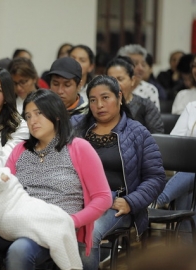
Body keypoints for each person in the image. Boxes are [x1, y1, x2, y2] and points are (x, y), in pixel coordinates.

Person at [0, 89, 112, 269]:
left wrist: (71, 221)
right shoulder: (20, 150)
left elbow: (103, 198)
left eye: (39, 113)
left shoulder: (78, 147)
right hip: (16, 221)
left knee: (20, 250)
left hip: (53, 227)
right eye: (28, 116)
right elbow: (4, 187)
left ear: (56, 115)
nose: (32, 121)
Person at [72, 75, 166, 269]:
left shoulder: (137, 132)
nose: (99, 105)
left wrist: (131, 202)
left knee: (88, 231)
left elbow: (156, 177)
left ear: (120, 97)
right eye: (93, 100)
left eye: (105, 98)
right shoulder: (78, 129)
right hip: (76, 198)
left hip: (116, 203)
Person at [156, 100, 196, 241]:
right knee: (190, 177)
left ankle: (158, 198)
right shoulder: (192, 107)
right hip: (189, 172)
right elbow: (176, 143)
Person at [106, 56, 164, 134]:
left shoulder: (146, 105)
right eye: (111, 79)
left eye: (120, 79)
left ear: (132, 80)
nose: (115, 84)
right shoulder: (100, 105)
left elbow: (157, 136)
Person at [117, 44, 160, 110]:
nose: (141, 68)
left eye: (143, 64)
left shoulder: (149, 90)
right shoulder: (113, 86)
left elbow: (154, 118)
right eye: (135, 63)